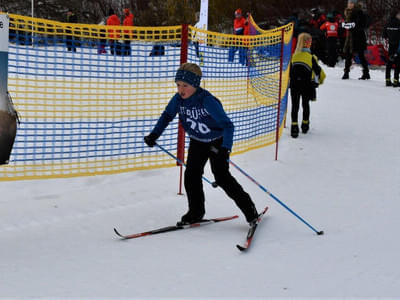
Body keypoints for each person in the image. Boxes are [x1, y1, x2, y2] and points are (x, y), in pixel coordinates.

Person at [143, 63, 259, 226]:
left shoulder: (207, 101)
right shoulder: (178, 100)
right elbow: (167, 115)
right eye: (178, 85)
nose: (180, 90)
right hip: (197, 142)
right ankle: (196, 212)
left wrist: (225, 149)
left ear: (195, 85)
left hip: (217, 142)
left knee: (222, 178)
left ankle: (250, 211)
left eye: (185, 85)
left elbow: (228, 126)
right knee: (191, 176)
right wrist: (155, 134)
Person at [289, 33, 326, 138]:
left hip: (294, 85)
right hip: (306, 85)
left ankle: (294, 127)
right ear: (308, 43)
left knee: (295, 106)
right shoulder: (311, 57)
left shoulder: (294, 56)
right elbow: (320, 73)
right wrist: (320, 81)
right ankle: (305, 125)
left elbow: (289, 72)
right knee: (305, 104)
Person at [342, 0, 370, 80]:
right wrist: (345, 25)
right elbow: (348, 23)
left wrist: (353, 25)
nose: (349, 5)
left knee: (361, 55)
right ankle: (346, 72)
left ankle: (366, 73)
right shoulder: (347, 12)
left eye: (351, 3)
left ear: (355, 4)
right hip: (350, 37)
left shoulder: (359, 12)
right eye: (348, 3)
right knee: (348, 55)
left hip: (359, 37)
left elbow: (360, 25)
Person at [383, 9, 400, 87]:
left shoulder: (387, 23)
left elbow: (384, 36)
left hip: (390, 46)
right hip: (398, 47)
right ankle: (396, 81)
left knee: (389, 63)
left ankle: (387, 80)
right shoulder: (399, 23)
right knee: (397, 64)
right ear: (396, 15)